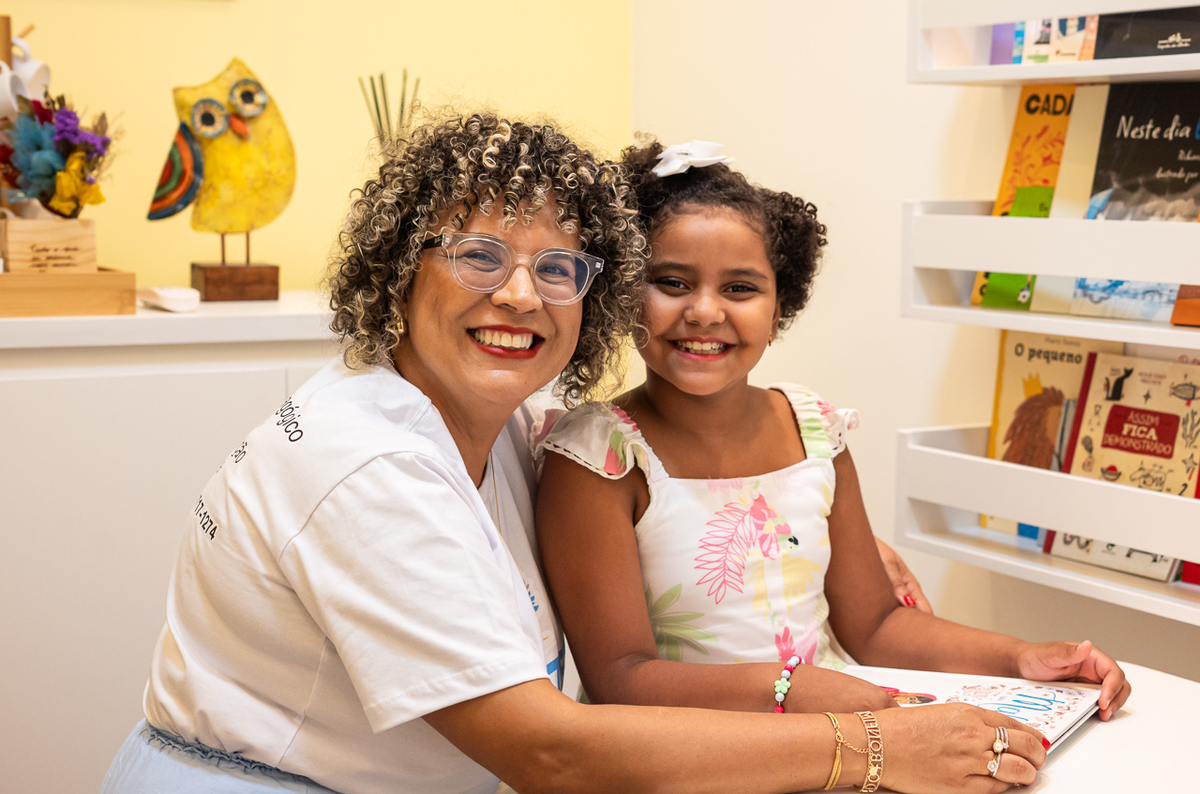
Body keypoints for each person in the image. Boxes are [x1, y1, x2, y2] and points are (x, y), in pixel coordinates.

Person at [101, 116, 1050, 794]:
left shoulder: (508, 424)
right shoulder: (368, 469)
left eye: (558, 268)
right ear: (398, 266)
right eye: (479, 254)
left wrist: (819, 542)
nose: (521, 295)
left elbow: (679, 484)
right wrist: (871, 749)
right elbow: (550, 752)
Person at [534, 139, 1132, 721]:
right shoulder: (596, 457)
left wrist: (1021, 657)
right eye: (671, 282)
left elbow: (876, 625)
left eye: (740, 288)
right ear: (623, 294)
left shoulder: (815, 430)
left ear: (779, 308)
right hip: (693, 754)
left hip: (835, 733)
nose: (705, 312)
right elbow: (621, 678)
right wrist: (788, 689)